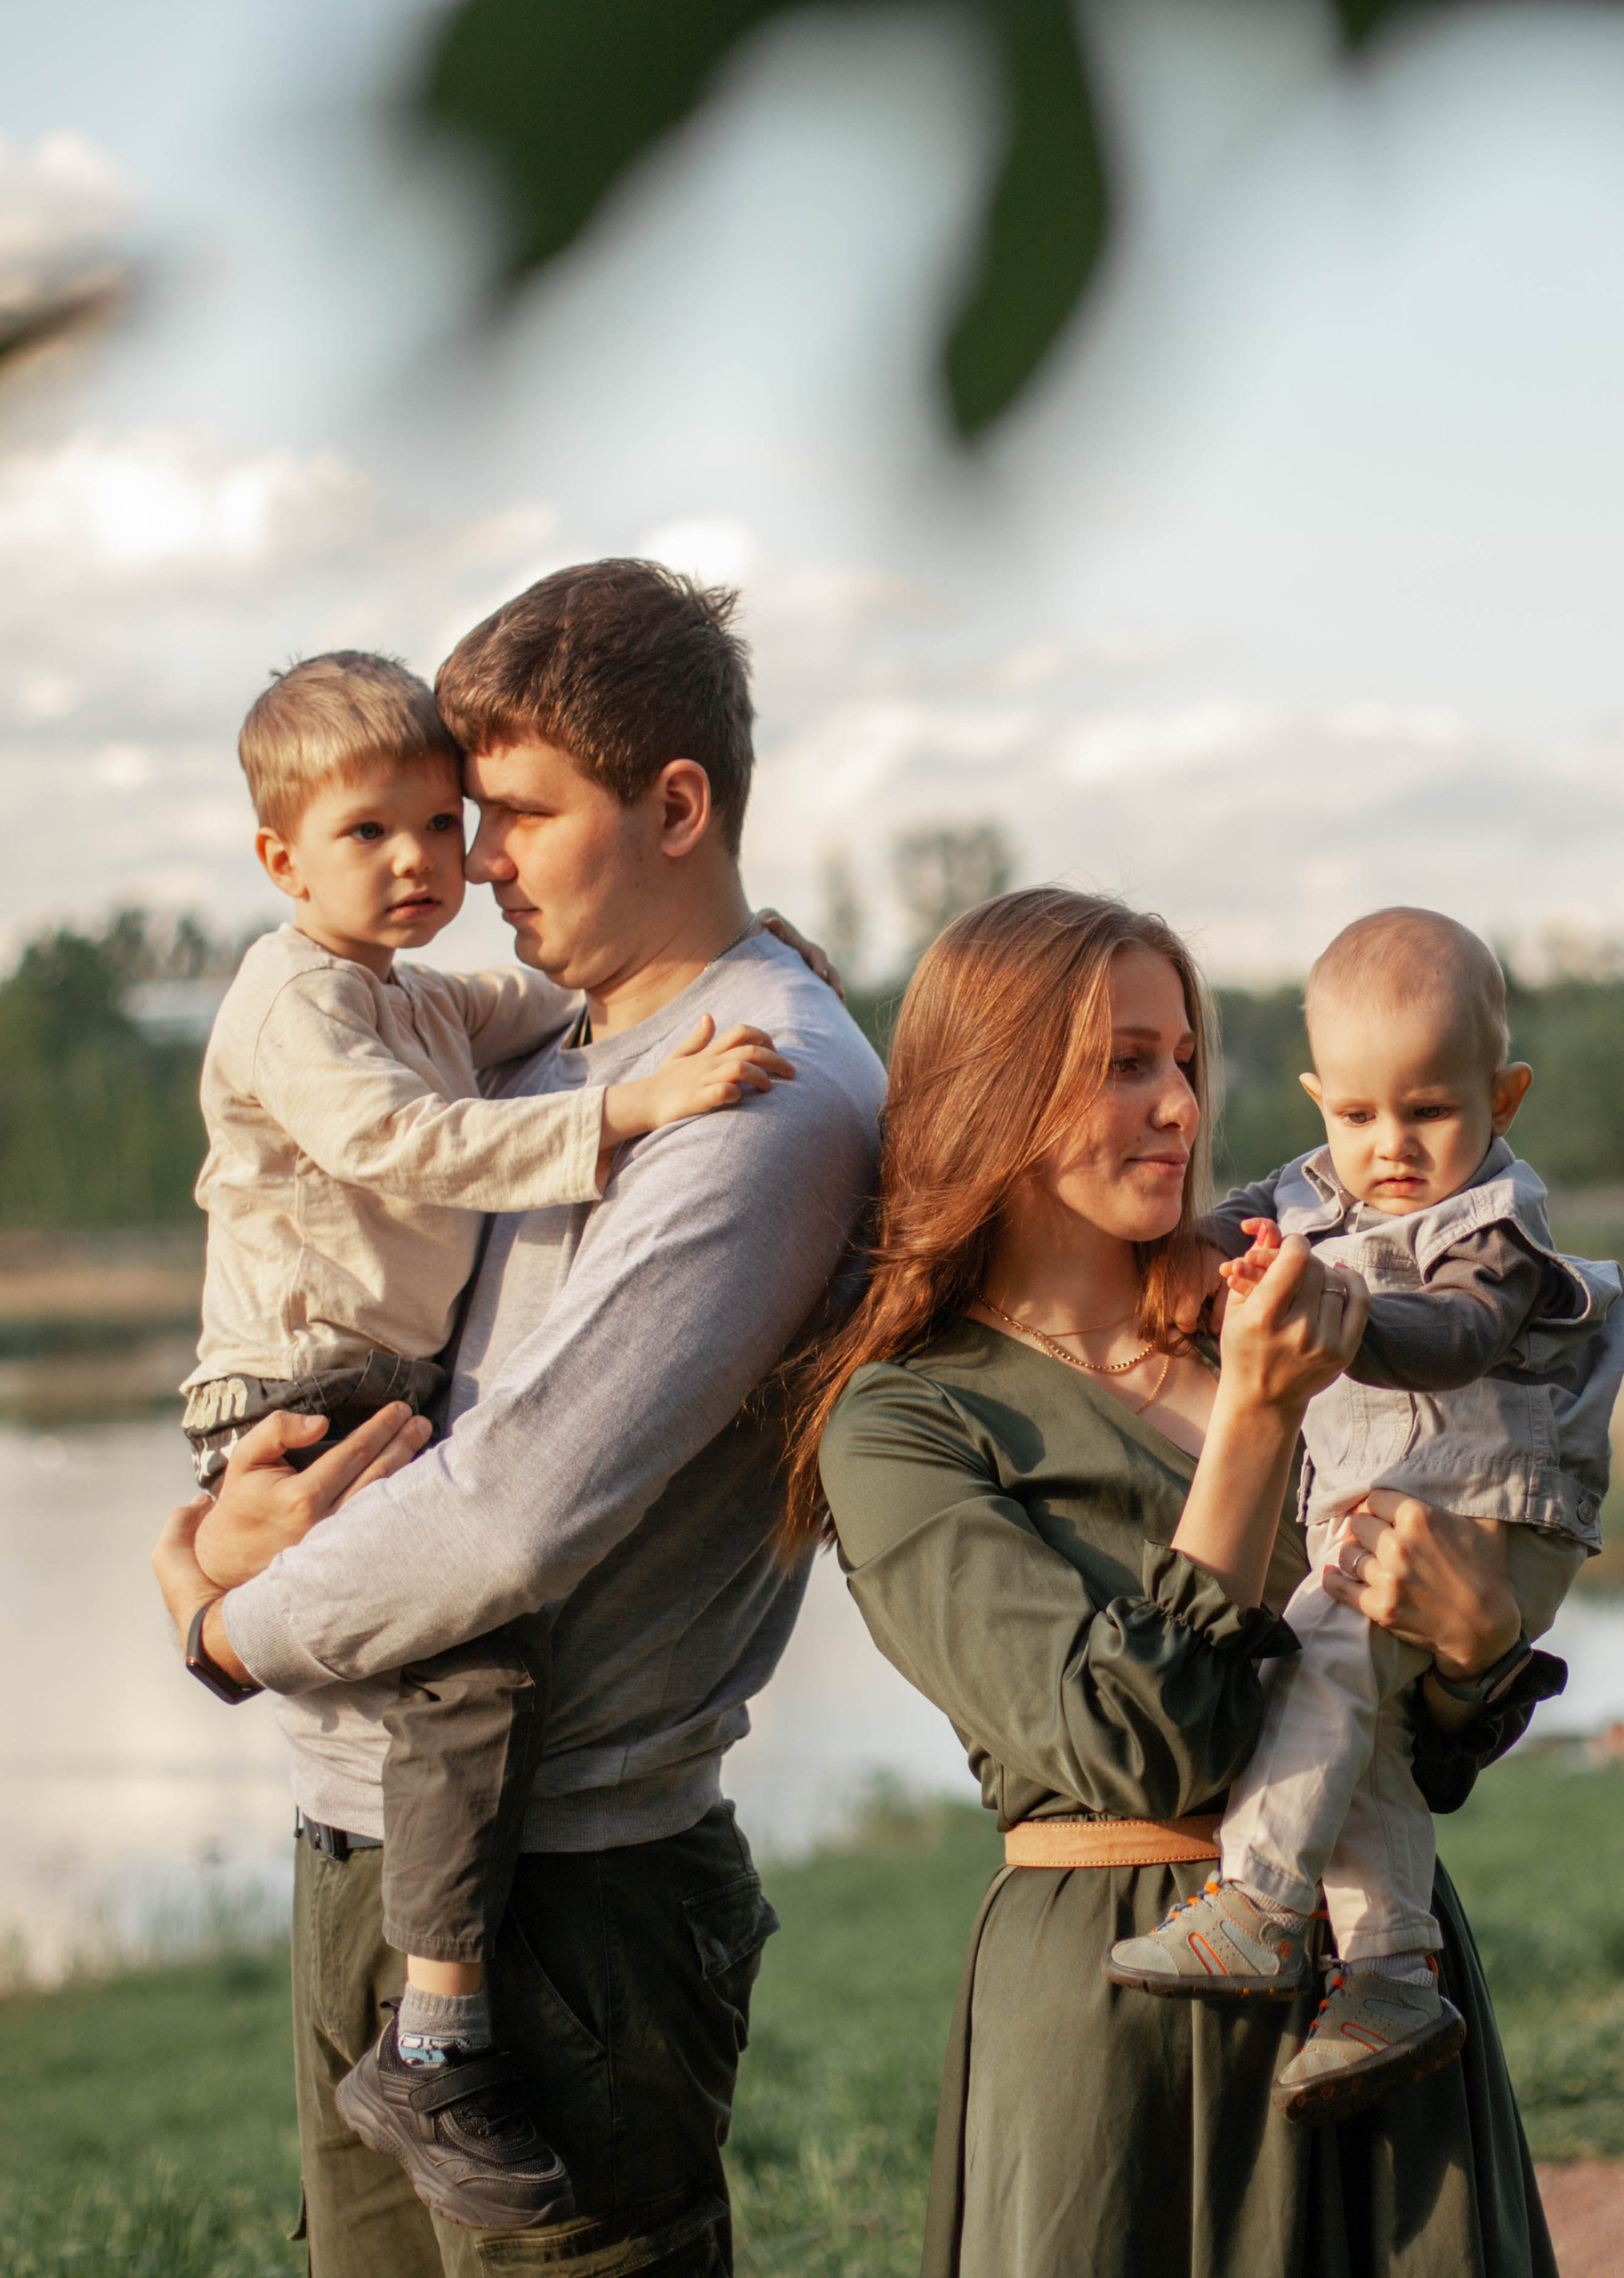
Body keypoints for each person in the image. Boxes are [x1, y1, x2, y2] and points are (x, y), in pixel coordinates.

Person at [150, 559, 886, 2278]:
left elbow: (506, 1517)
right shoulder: (567, 1041)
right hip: (378, 1845)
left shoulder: (761, 1097)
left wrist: (217, 1623)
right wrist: (213, 1526)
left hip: (567, 1911)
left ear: (677, 805)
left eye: (512, 817)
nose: (467, 865)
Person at [801, 886, 1567, 2278]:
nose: (1177, 1105)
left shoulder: (1280, 1312)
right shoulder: (907, 1426)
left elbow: (1413, 1743)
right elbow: (1138, 1748)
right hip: (1117, 2020)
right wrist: (1259, 1422)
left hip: (1377, 1990)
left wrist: (1481, 1647)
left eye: (1184, 1061)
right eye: (1123, 1064)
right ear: (995, 1090)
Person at [1104, 908, 1624, 2123]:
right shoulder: (1311, 1192)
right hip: (1404, 1508)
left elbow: (1459, 1336)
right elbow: (1225, 1226)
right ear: (1317, 1099)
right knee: (1369, 1731)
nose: (1388, 1148)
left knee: (1320, 1668)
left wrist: (1335, 1314)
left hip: (1491, 1515)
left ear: (1505, 1098)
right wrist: (1210, 1262)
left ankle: (1260, 1905)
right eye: (1355, 1115)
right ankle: (1392, 1971)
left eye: (1429, 1112)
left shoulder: (1492, 1227)